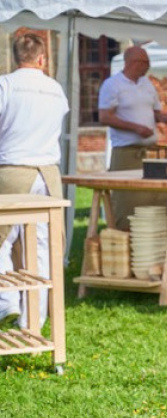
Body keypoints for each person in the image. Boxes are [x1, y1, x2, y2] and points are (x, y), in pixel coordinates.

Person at [0, 33, 68, 327]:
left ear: (15, 57)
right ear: (42, 58)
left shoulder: (6, 85)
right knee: (41, 247)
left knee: (3, 241)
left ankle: (6, 302)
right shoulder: (56, 89)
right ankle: (33, 320)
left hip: (13, 169)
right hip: (48, 174)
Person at [98, 45, 167, 230]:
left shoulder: (147, 84)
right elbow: (105, 117)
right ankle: (125, 237)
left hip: (150, 152)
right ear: (133, 62)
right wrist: (135, 128)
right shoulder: (112, 85)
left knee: (156, 198)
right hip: (127, 152)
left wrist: (161, 117)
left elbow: (154, 111)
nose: (148, 66)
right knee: (128, 200)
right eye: (145, 62)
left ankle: (156, 237)